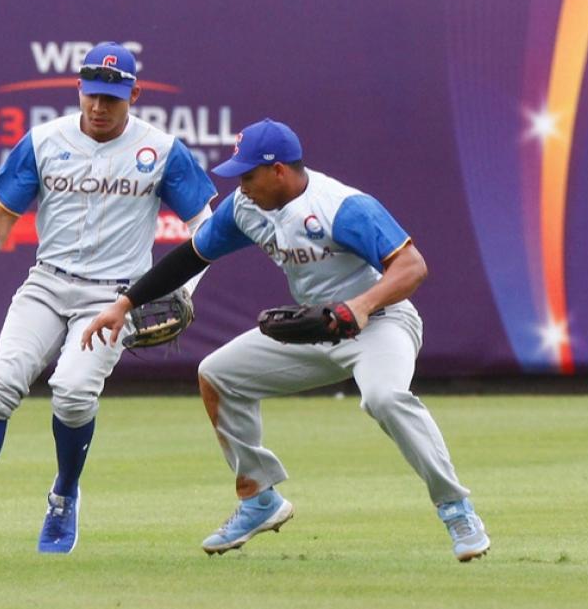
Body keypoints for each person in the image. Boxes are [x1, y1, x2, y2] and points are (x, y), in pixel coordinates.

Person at [82, 118, 491, 562]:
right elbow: (190, 256)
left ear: (278, 171)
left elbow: (412, 267)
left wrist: (363, 304)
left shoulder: (342, 206)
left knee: (385, 397)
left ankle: (455, 508)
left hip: (381, 323)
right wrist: (125, 303)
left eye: (248, 174)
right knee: (218, 375)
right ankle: (259, 498)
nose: (241, 184)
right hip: (314, 327)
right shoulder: (246, 207)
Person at [0, 42, 218, 560]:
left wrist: (181, 288)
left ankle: (63, 496)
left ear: (135, 95)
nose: (99, 107)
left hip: (114, 295)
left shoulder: (163, 150)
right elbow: (4, 212)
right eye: (92, 95)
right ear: (78, 89)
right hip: (47, 283)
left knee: (73, 393)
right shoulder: (44, 140)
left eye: (112, 98)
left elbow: (205, 227)